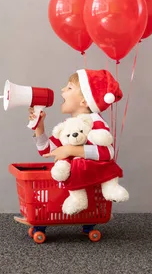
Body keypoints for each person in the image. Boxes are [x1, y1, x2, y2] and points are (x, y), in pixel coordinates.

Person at [30, 68, 129, 202]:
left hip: (94, 181)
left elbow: (107, 152)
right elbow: (47, 150)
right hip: (78, 181)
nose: (62, 89)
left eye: (69, 88)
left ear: (85, 101)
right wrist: (39, 127)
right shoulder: (68, 125)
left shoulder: (95, 121)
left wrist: (70, 150)